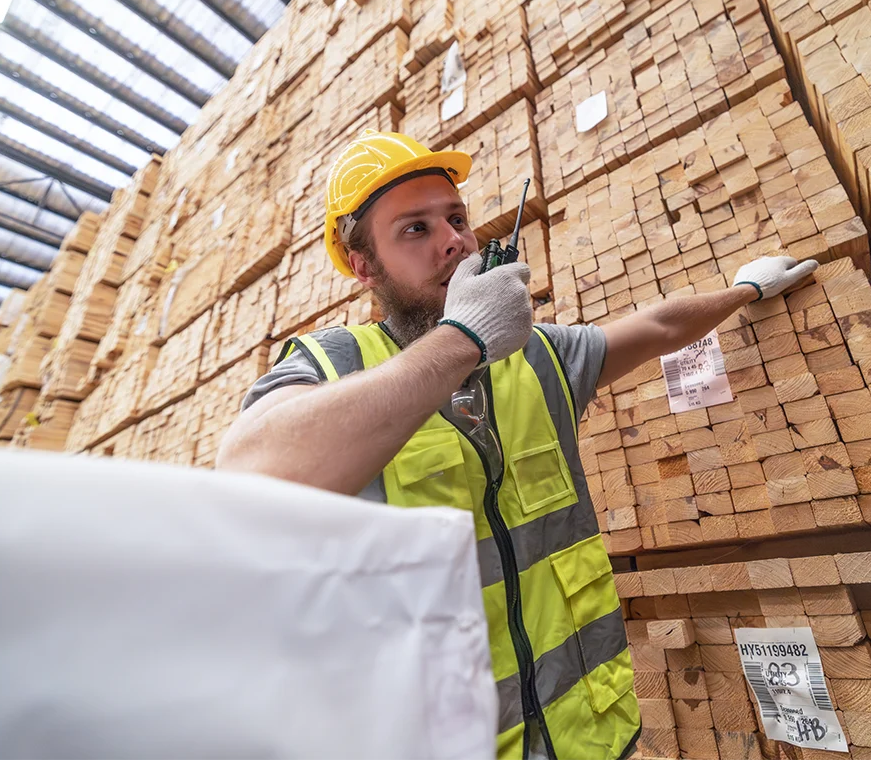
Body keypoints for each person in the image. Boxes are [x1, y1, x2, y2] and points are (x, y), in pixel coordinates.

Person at [216, 130, 819, 760]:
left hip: (591, 739)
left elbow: (658, 326)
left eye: (457, 219)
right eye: (415, 229)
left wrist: (747, 290)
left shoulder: (536, 357)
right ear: (364, 266)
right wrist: (462, 338)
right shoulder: (335, 364)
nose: (454, 240)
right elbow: (247, 475)